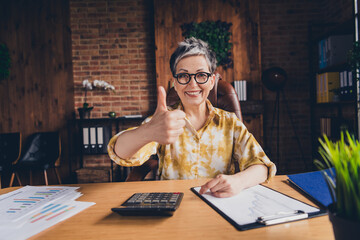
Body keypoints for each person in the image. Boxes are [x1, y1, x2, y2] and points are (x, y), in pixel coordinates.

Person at [108, 37, 276, 198]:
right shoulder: (163, 122)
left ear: (211, 81)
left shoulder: (230, 123)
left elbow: (262, 166)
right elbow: (120, 153)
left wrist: (238, 181)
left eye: (201, 75)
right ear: (175, 82)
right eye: (183, 76)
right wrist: (147, 132)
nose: (193, 84)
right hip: (173, 206)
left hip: (221, 205)